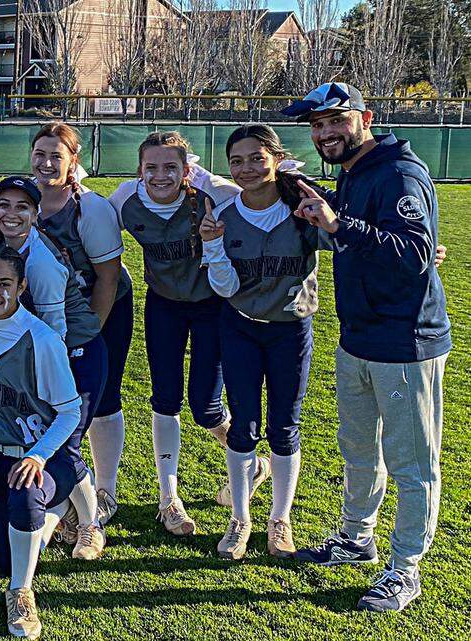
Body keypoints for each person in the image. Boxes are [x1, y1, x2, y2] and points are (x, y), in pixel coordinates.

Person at [281, 83, 451, 612]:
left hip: (405, 343)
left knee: (411, 463)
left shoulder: (399, 173)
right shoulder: (353, 173)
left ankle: (406, 569)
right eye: (317, 125)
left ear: (365, 118)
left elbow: (415, 254)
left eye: (337, 120)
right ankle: (357, 538)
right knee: (358, 449)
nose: (326, 132)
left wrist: (339, 223)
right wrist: (324, 204)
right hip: (358, 338)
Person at [107, 132, 265, 537]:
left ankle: (250, 462)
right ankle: (169, 499)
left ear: (186, 170)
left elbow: (262, 195)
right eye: (151, 167)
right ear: (139, 170)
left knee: (206, 407)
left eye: (170, 167)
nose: (160, 176)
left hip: (211, 307)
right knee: (164, 399)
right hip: (163, 306)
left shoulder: (211, 195)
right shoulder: (125, 200)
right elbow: (88, 219)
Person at [199, 124, 330, 561]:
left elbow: (347, 242)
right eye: (236, 161)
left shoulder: (301, 209)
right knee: (243, 425)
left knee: (284, 426)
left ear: (276, 158)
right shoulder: (224, 215)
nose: (247, 168)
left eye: (257, 158)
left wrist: (422, 251)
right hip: (240, 327)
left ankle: (280, 519)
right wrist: (213, 246)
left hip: (290, 330)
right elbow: (224, 287)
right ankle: (240, 518)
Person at [0, 176, 107, 560]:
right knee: (45, 438)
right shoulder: (4, 248)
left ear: (36, 214)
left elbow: (56, 332)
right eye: (4, 205)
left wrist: (42, 378)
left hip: (75, 355)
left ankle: (91, 525)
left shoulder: (38, 261)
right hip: (44, 355)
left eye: (22, 207)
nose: (11, 214)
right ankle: (63, 514)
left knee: (64, 444)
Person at [0, 246, 84, 639]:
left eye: (4, 283)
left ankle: (21, 593)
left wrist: (38, 456)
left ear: (22, 286)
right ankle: (55, 516)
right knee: (7, 557)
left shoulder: (43, 339)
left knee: (24, 500)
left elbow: (70, 412)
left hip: (42, 457)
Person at [29, 123, 132, 528]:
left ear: (73, 161)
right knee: (50, 399)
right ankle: (62, 487)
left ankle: (105, 490)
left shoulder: (90, 208)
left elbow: (108, 278)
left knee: (101, 396)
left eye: (56, 155)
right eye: (40, 153)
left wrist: (89, 334)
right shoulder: (23, 199)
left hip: (102, 308)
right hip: (50, 311)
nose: (46, 163)